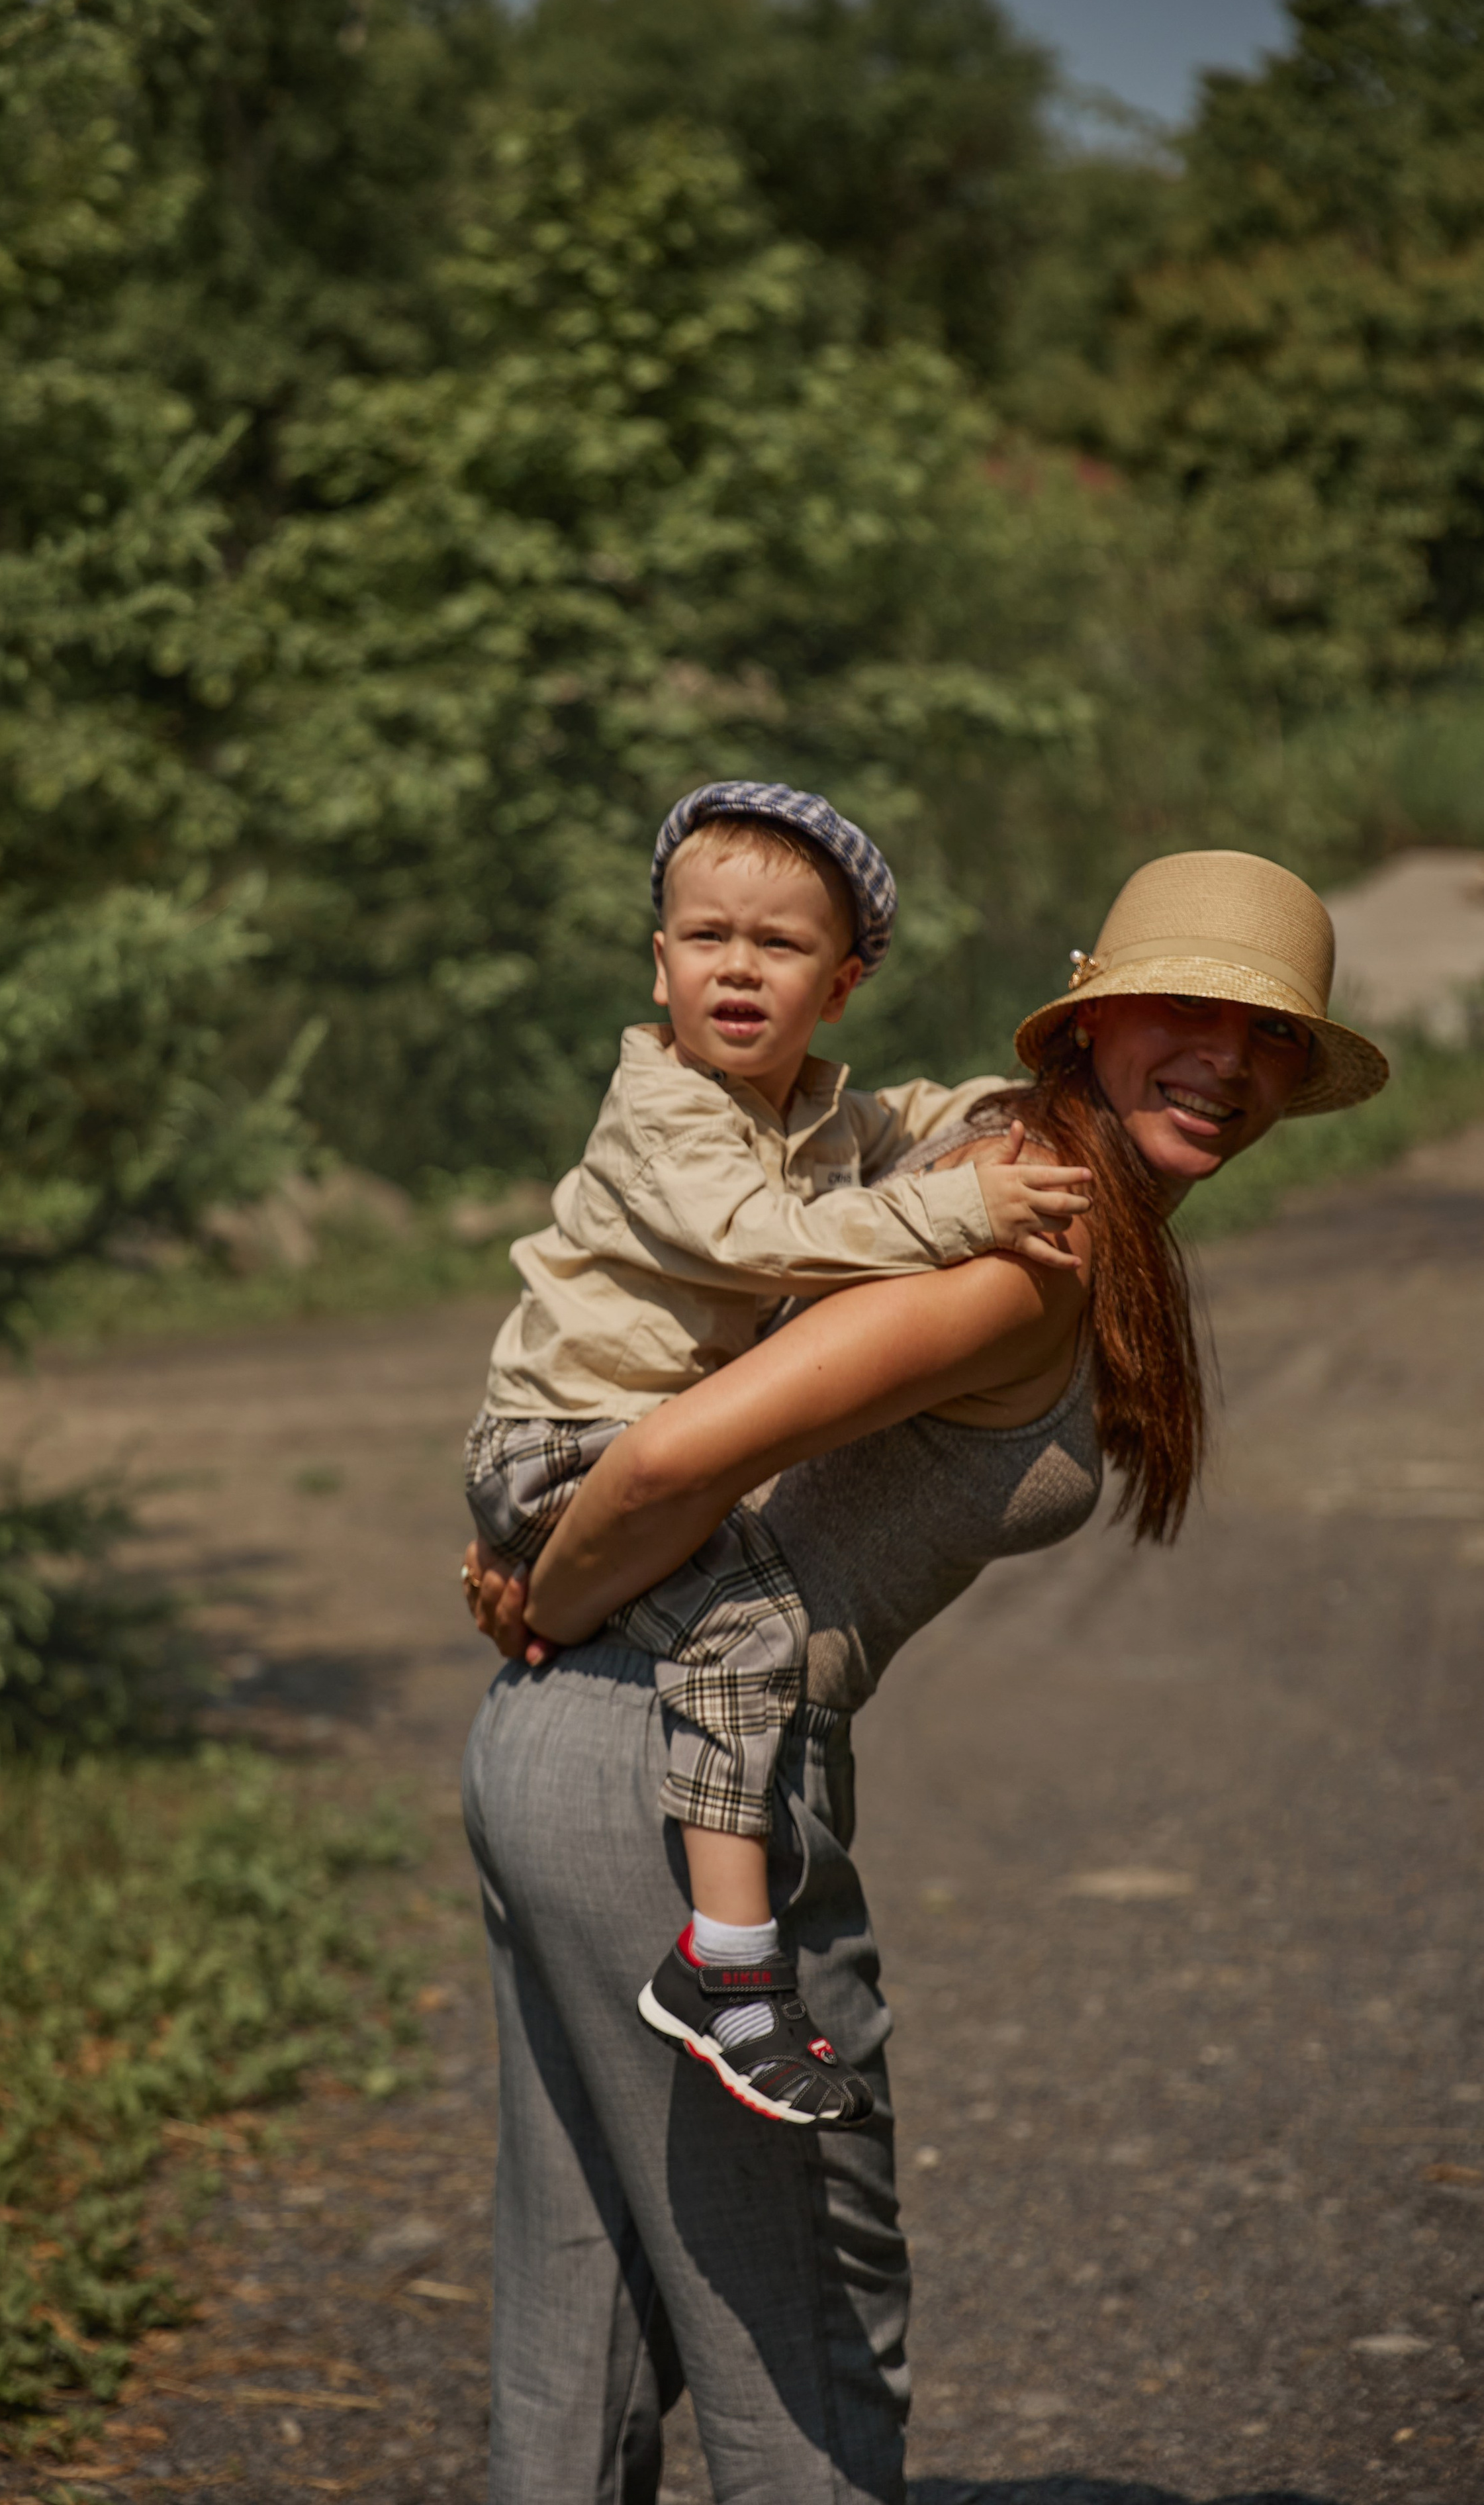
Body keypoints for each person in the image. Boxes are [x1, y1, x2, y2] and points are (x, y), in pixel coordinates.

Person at [459, 848, 1389, 2505]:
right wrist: (553, 1590)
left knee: (580, 2322)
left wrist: (563, 1617)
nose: (1226, 1064)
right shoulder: (1013, 1246)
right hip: (683, 1777)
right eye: (1186, 1011)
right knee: (803, 2348)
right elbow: (678, 1452)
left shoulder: (986, 1163)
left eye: (1268, 1040)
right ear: (1090, 1023)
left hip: (576, 1753)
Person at [463, 780, 1090, 2126]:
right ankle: (728, 1971)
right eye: (705, 937)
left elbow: (919, 1122)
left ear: (841, 985)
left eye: (779, 946)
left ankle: (727, 1960)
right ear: (659, 961)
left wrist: (1041, 1109)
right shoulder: (666, 1109)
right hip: (562, 1443)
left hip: (610, 1445)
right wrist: (965, 1209)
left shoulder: (804, 1104)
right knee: (748, 1624)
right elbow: (752, 1237)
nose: (734, 968)